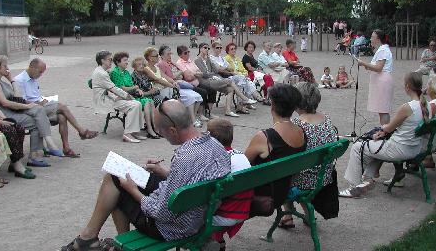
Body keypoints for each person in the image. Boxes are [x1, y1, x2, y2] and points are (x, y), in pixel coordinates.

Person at [60, 100, 230, 250]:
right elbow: (196, 176)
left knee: (116, 182)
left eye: (160, 130)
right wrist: (165, 173)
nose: (161, 134)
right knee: (121, 177)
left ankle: (90, 239)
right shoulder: (214, 144)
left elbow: (162, 213)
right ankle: (89, 239)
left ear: (172, 130)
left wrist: (133, 190)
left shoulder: (184, 157)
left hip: (173, 228)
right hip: (199, 215)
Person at [339, 72, 426, 198]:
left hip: (400, 149)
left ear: (407, 87)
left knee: (358, 146)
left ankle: (355, 186)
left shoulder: (407, 107)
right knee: (375, 144)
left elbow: (389, 127)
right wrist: (384, 131)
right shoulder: (425, 105)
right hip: (414, 148)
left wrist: (382, 129)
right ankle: (368, 178)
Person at [0, 55, 71, 164]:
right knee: (37, 118)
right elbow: (4, 102)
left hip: (11, 110)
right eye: (5, 65)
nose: (7, 68)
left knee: (38, 112)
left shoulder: (1, 80)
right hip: (4, 113)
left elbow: (17, 97)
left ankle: (40, 151)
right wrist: (27, 106)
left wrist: (11, 80)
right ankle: (39, 152)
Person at [279, 82, 337, 227]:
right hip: (324, 177)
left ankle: (288, 216)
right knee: (298, 167)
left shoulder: (296, 124)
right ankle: (307, 215)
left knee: (282, 172)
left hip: (304, 180)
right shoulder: (326, 119)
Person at [244, 84, 306, 208]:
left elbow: (242, 165)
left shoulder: (265, 137)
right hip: (283, 191)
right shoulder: (301, 132)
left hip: (264, 196)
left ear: (272, 105)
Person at [14, 58, 98, 150]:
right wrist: (39, 103)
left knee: (62, 116)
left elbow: (35, 95)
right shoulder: (19, 80)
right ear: (32, 68)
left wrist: (45, 100)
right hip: (31, 109)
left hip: (40, 105)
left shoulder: (33, 78)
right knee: (62, 107)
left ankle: (66, 148)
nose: (41, 75)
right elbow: (21, 101)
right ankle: (82, 131)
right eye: (40, 72)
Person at [207, 118, 252, 250]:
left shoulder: (218, 161)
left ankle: (210, 244)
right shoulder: (240, 155)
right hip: (243, 210)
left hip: (226, 214)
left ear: (211, 139)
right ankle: (219, 241)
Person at [91, 51, 149, 143]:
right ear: (102, 61)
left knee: (137, 103)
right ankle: (127, 134)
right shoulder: (101, 73)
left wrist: (125, 96)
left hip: (110, 96)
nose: (111, 61)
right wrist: (127, 96)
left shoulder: (102, 71)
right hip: (105, 100)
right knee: (134, 105)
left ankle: (134, 131)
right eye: (109, 59)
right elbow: (114, 88)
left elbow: (111, 89)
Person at [195, 43, 257, 117]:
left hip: (215, 79)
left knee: (230, 89)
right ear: (200, 48)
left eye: (208, 48)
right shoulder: (197, 60)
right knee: (230, 81)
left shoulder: (209, 59)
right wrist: (213, 73)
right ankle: (244, 98)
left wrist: (211, 61)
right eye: (205, 48)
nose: (207, 50)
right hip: (206, 81)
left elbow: (216, 70)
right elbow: (204, 74)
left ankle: (228, 111)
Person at [109, 52, 159, 139]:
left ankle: (154, 128)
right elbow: (121, 88)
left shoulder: (126, 72)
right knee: (147, 101)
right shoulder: (115, 72)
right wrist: (135, 87)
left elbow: (132, 85)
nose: (127, 62)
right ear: (118, 62)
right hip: (124, 97)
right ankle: (150, 130)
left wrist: (138, 89)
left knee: (150, 101)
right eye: (125, 60)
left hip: (132, 95)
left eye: (127, 60)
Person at [157, 45, 209, 122]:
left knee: (198, 95)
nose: (170, 55)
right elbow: (171, 77)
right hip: (172, 86)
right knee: (194, 96)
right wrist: (179, 73)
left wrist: (179, 74)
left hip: (181, 83)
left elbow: (180, 76)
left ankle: (194, 117)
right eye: (168, 54)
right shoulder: (162, 64)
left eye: (170, 54)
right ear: (161, 55)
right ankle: (193, 118)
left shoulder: (171, 63)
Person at [357, 29, 393, 125]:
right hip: (380, 80)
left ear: (378, 39)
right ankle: (384, 130)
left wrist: (363, 63)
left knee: (383, 109)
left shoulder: (383, 50)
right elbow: (376, 66)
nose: (370, 39)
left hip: (382, 81)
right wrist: (367, 65)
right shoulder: (382, 49)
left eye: (372, 37)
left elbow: (378, 67)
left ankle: (384, 132)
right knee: (382, 109)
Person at [175, 45, 219, 119]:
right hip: (189, 85)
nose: (188, 54)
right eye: (185, 53)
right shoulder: (180, 63)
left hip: (197, 82)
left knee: (212, 90)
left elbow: (200, 72)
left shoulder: (190, 61)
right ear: (180, 55)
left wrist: (193, 74)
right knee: (203, 92)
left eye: (188, 52)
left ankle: (208, 112)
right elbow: (188, 78)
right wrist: (196, 74)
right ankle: (200, 114)